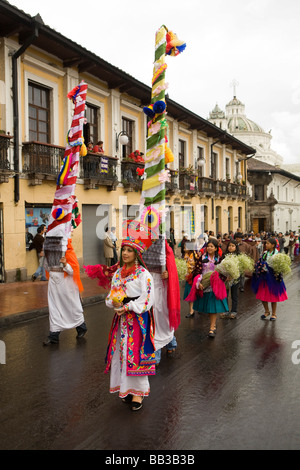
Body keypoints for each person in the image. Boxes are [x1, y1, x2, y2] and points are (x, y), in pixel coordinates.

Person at [105, 231, 156, 411]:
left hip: (138, 320)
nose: (125, 253)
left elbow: (148, 298)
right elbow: (112, 294)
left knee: (136, 354)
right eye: (123, 250)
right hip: (121, 321)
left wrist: (128, 307)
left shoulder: (143, 274)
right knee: (122, 352)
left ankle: (138, 393)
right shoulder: (118, 273)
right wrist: (114, 302)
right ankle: (126, 389)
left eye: (129, 250)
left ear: (137, 254)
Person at [43, 238, 87, 345]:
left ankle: (81, 327)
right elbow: (47, 268)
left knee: (71, 307)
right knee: (54, 309)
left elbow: (74, 271)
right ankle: (54, 336)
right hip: (53, 286)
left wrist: (66, 264)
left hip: (67, 286)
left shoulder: (69, 252)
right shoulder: (49, 253)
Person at [143, 240, 181, 365]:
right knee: (150, 316)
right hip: (146, 283)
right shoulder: (142, 244)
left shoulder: (165, 248)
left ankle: (163, 345)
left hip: (161, 285)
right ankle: (168, 342)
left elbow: (173, 269)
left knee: (161, 314)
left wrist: (168, 273)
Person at [187, 238, 229, 337]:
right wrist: (198, 282)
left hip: (215, 286)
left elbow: (223, 272)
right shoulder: (202, 258)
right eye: (208, 246)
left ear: (215, 248)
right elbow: (196, 271)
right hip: (205, 285)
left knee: (212, 307)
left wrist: (226, 277)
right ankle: (213, 326)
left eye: (212, 246)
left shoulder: (219, 259)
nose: (209, 248)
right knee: (208, 308)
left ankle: (211, 328)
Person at [251, 237, 288, 321]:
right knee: (262, 295)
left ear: (273, 245)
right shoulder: (264, 253)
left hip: (273, 278)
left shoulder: (277, 254)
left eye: (268, 243)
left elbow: (280, 266)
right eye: (266, 243)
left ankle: (274, 314)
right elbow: (260, 262)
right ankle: (266, 311)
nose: (266, 245)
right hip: (264, 278)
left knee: (273, 296)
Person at [220, 240, 240, 319]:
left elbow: (240, 268)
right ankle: (225, 310)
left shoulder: (238, 256)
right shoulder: (225, 255)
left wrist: (233, 275)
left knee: (234, 295)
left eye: (233, 246)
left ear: (236, 247)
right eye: (229, 246)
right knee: (225, 295)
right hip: (226, 278)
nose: (230, 247)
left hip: (235, 278)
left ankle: (234, 311)